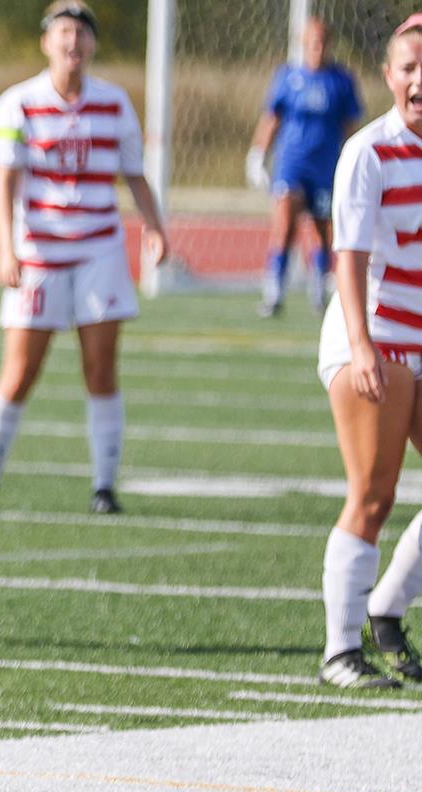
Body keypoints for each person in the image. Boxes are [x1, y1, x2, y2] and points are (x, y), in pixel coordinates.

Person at [0, 0, 167, 516]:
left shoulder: (115, 103)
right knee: (19, 371)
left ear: (93, 44)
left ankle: (104, 487)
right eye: (63, 32)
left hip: (99, 248)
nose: (72, 42)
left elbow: (135, 175)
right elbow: (4, 181)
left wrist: (157, 229)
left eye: (81, 33)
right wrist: (6, 249)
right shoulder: (19, 103)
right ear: (46, 42)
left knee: (101, 369)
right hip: (40, 255)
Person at [311, 13, 422, 690]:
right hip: (375, 335)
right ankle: (339, 651)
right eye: (409, 67)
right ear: (387, 77)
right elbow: (346, 255)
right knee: (373, 494)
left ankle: (388, 605)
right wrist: (362, 347)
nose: (421, 80)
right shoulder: (370, 150)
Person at [247, 17, 362, 318]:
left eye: (323, 42)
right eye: (313, 42)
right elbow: (272, 117)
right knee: (284, 223)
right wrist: (258, 153)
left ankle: (319, 289)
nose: (318, 48)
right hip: (292, 165)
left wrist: (356, 161)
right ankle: (275, 291)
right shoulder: (287, 77)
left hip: (325, 167)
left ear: (329, 44)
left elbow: (351, 126)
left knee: (324, 229)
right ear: (304, 43)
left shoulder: (341, 81)